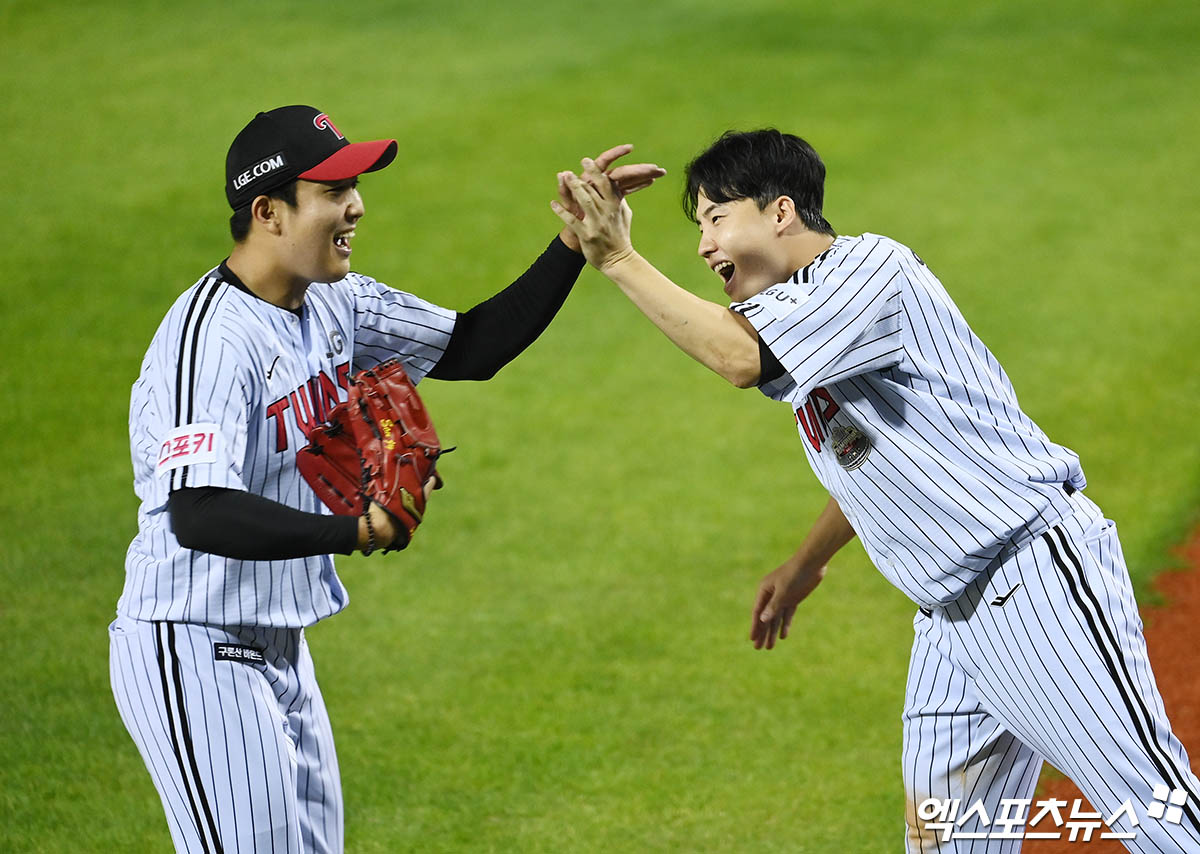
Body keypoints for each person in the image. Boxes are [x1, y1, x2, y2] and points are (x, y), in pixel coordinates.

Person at [553, 129, 1200, 852]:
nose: (704, 245)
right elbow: (876, 457)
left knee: (1158, 814)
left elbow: (735, 359)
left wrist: (616, 256)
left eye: (714, 217)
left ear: (780, 211)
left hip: (1033, 581)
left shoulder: (866, 271)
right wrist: (805, 563)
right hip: (950, 626)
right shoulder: (798, 307)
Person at [109, 104, 663, 854]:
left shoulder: (337, 300)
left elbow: (475, 344)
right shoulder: (210, 339)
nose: (357, 204)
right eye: (334, 190)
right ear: (268, 212)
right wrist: (355, 529)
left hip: (280, 646)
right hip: (191, 643)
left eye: (356, 184)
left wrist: (574, 241)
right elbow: (197, 512)